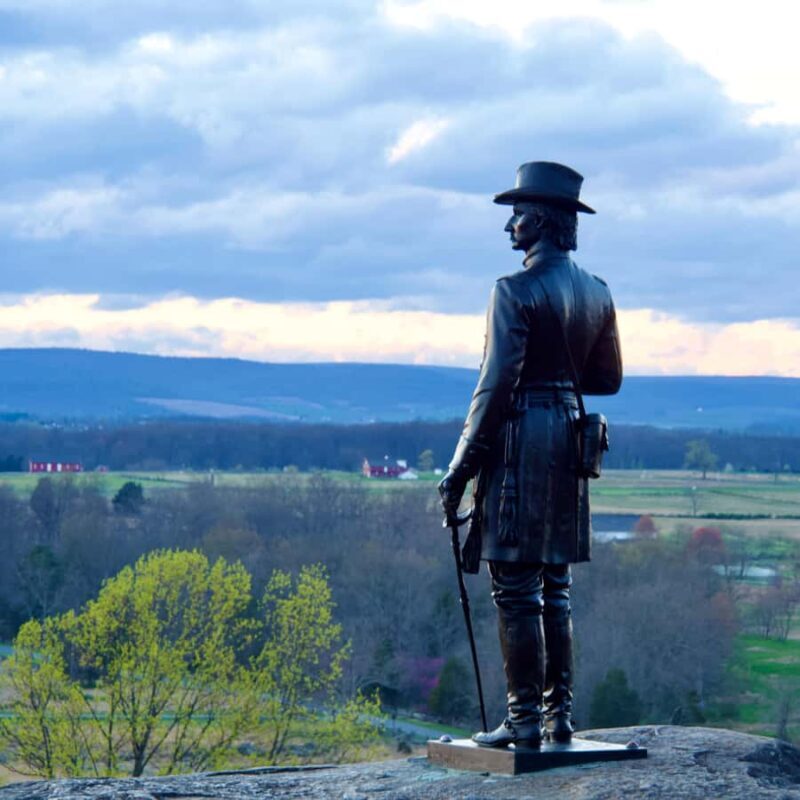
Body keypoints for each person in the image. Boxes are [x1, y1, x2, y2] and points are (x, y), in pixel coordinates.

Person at [438, 161, 623, 748]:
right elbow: (607, 378)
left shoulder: (513, 291)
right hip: (567, 437)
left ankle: (523, 720)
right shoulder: (597, 291)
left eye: (516, 214)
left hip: (523, 441)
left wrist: (460, 467)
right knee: (555, 585)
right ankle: (558, 716)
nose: (509, 226)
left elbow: (493, 388)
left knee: (517, 588)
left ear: (541, 221)